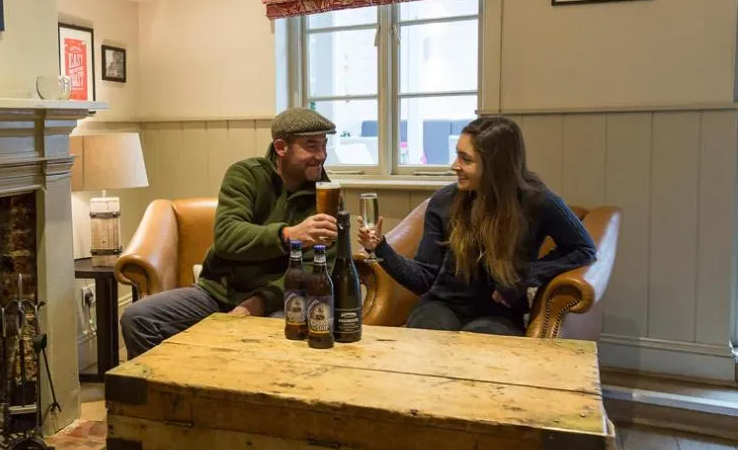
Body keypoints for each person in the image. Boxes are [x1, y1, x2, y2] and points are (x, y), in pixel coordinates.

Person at [119, 107, 340, 358]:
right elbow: (227, 237)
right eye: (311, 146)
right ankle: (163, 394)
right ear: (281, 147)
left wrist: (256, 304)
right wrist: (288, 235)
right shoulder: (245, 175)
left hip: (281, 300)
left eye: (324, 145)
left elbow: (316, 267)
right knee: (138, 318)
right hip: (218, 293)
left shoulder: (326, 197)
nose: (321, 155)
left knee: (281, 341)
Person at [356, 116, 597, 336]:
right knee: (431, 335)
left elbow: (583, 250)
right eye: (457, 155)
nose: (454, 165)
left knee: (483, 341)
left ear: (495, 165)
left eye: (466, 159)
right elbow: (423, 279)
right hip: (441, 304)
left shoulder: (537, 201)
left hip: (498, 314)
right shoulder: (444, 202)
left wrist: (521, 277)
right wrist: (380, 248)